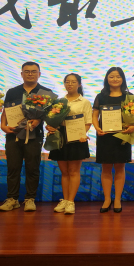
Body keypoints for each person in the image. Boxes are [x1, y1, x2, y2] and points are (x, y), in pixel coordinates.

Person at [0, 62, 53, 212]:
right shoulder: (13, 92)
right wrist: (3, 125)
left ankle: (30, 199)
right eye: (27, 71)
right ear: (21, 74)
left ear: (39, 74)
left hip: (34, 135)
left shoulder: (45, 92)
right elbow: (6, 111)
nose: (30, 74)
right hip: (14, 135)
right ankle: (12, 199)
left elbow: (49, 114)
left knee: (32, 167)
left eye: (33, 71)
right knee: (13, 167)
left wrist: (39, 120)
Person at [92, 67, 134, 213]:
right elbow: (95, 115)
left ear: (123, 79)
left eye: (118, 76)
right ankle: (107, 199)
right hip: (104, 136)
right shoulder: (101, 96)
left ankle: (117, 199)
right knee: (106, 168)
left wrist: (133, 126)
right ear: (107, 79)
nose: (115, 79)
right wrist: (97, 128)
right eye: (111, 76)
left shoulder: (129, 96)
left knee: (120, 167)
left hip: (122, 136)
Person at [46, 73, 91, 215]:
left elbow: (88, 122)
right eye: (67, 82)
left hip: (77, 137)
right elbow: (53, 119)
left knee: (73, 171)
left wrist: (82, 134)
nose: (70, 84)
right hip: (60, 136)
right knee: (64, 172)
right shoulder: (59, 102)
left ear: (79, 84)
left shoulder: (84, 102)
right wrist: (50, 126)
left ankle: (71, 201)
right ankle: (64, 200)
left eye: (73, 82)